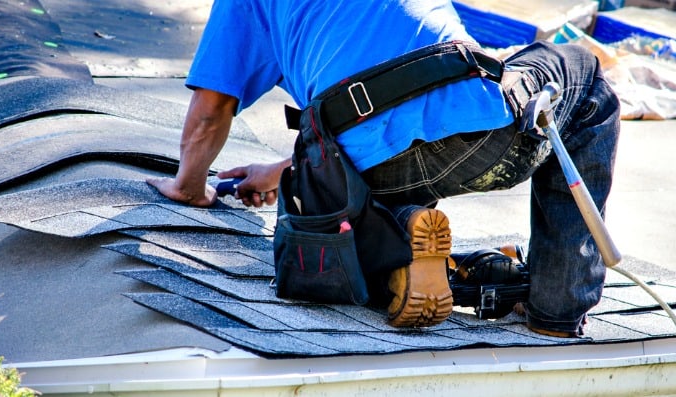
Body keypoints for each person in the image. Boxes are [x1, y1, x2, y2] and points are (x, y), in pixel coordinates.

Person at [148, 0, 620, 337]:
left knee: (366, 168)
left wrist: (190, 188)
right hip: (475, 136)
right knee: (582, 71)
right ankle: (556, 309)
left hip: (352, 175)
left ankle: (401, 238)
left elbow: (212, 108)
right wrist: (277, 169)